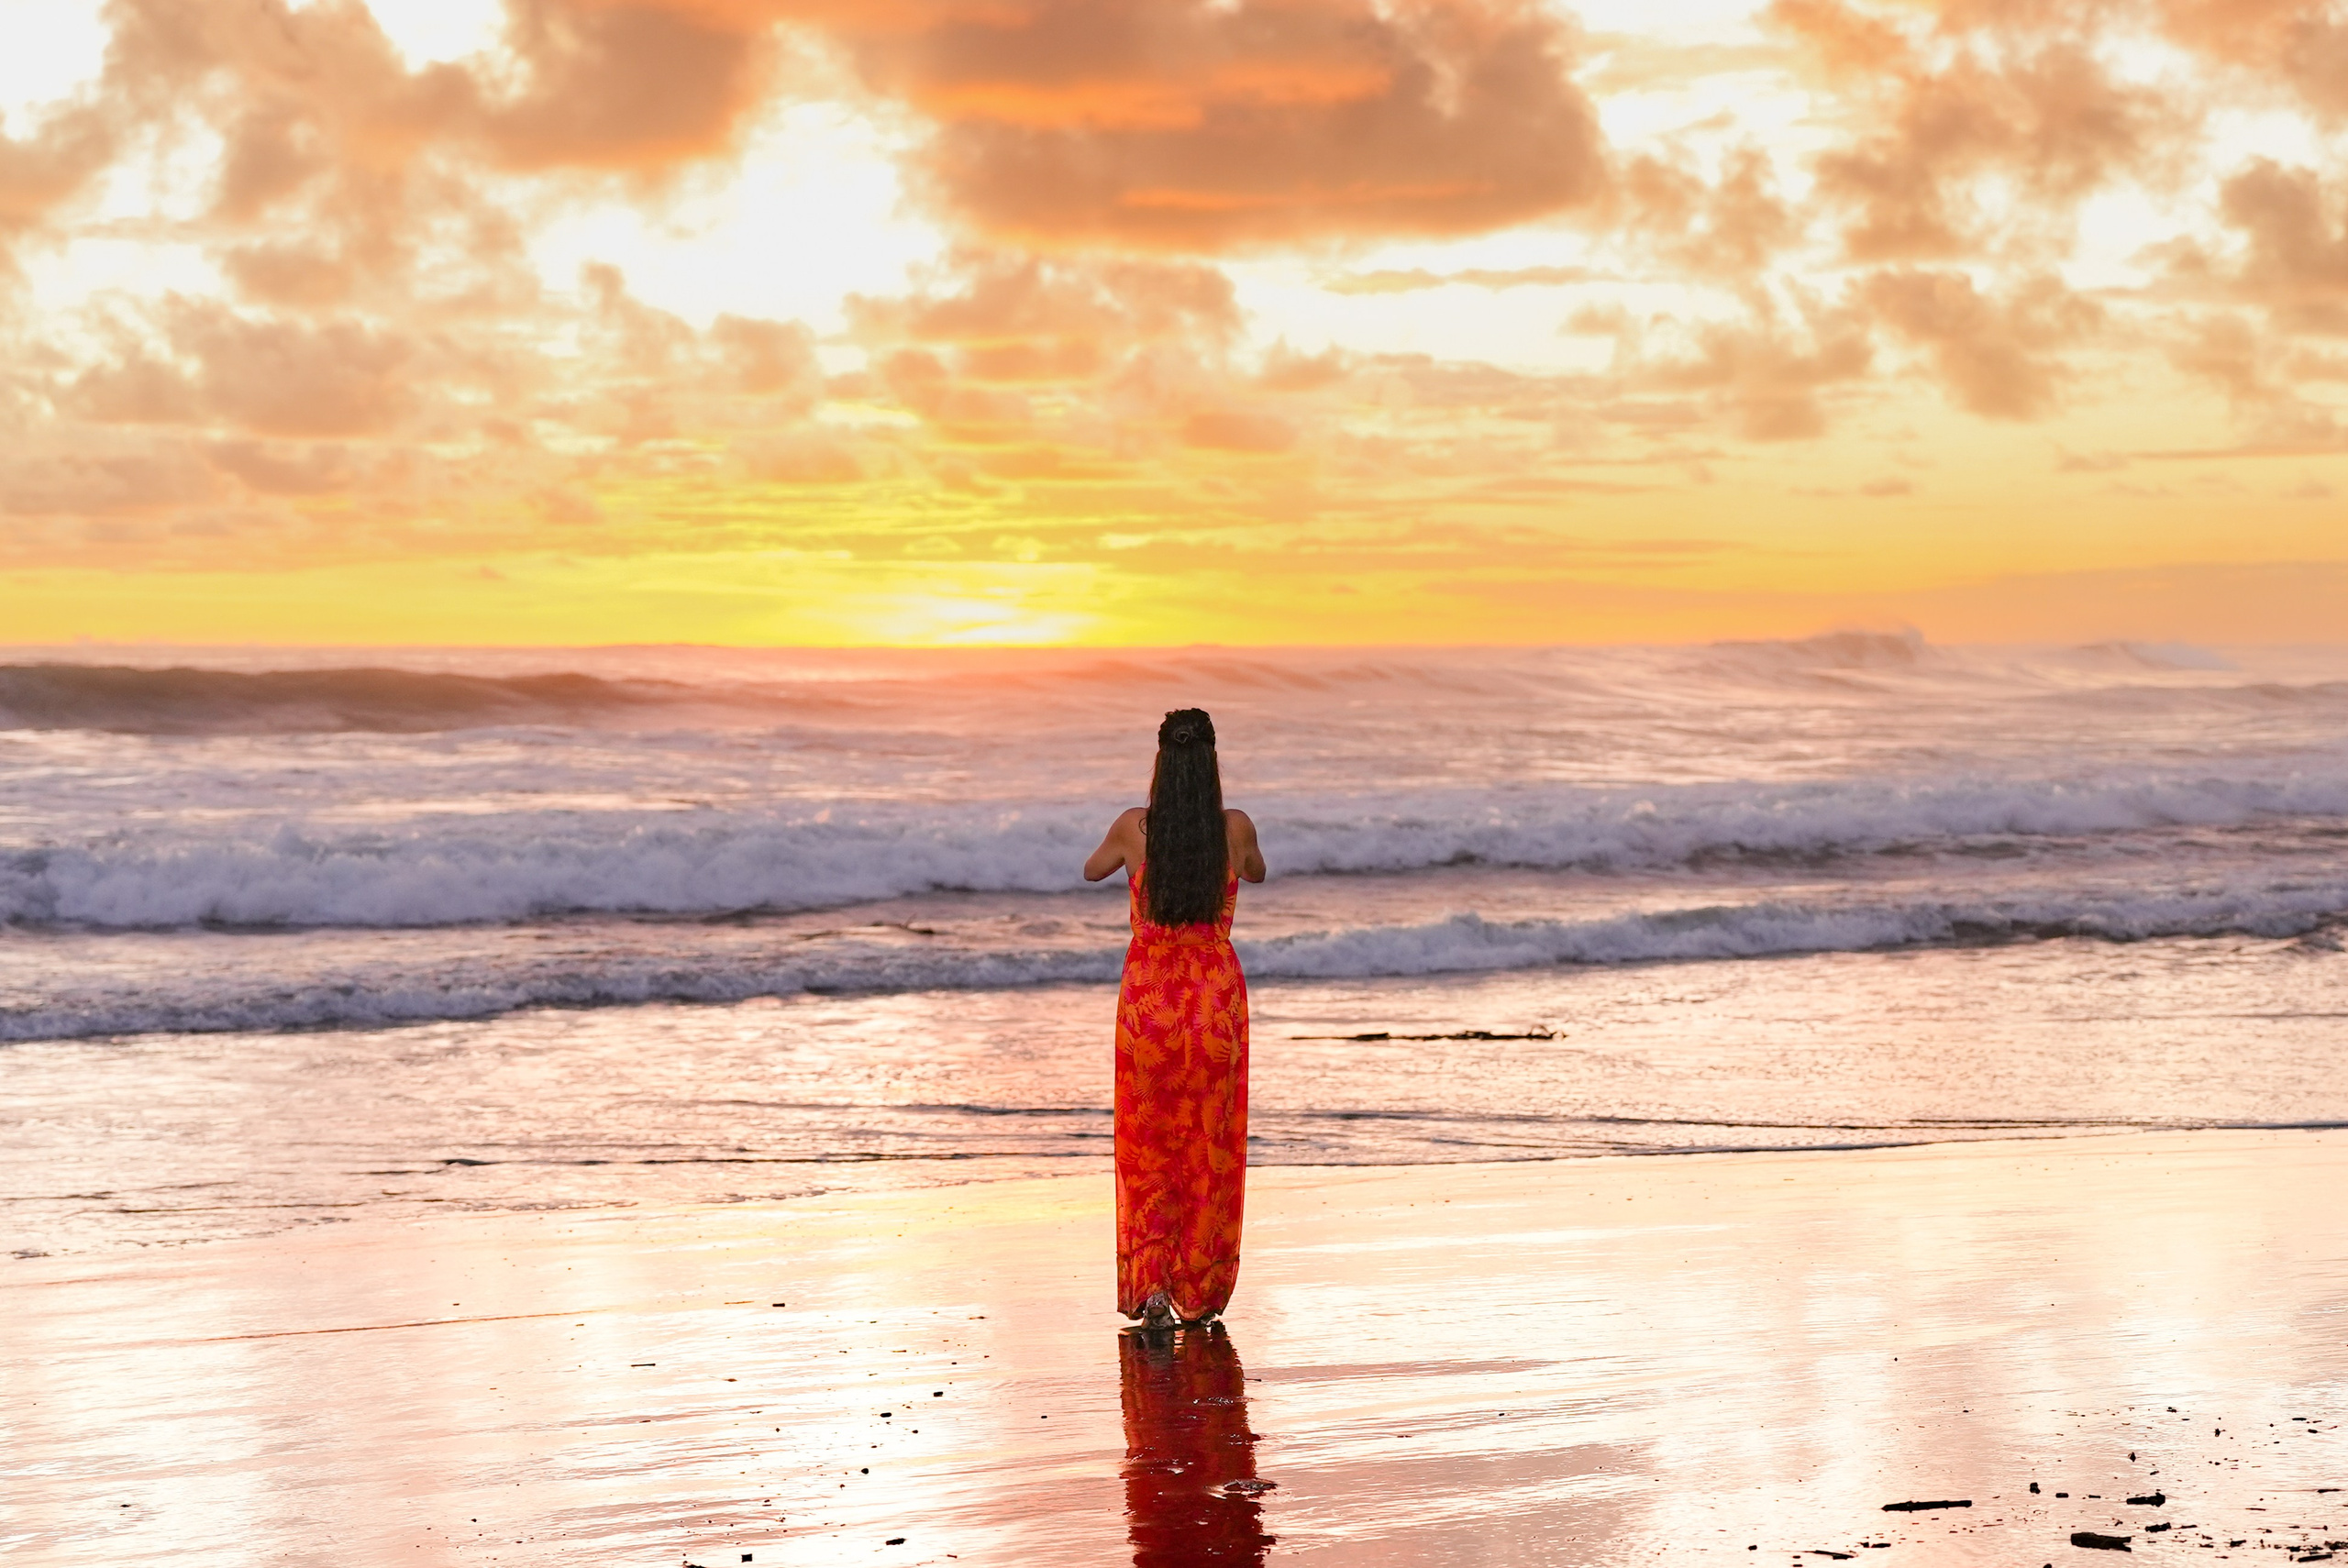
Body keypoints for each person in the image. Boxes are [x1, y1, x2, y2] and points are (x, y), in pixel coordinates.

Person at [1084, 708, 1267, 1327]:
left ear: (1161, 762)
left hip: (1149, 999)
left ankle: (1154, 1286)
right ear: (1212, 763)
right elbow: (1256, 871)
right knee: (1208, 1142)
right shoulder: (1234, 826)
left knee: (1149, 1143)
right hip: (1214, 997)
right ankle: (1202, 1289)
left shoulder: (1135, 828)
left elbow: (1092, 869)